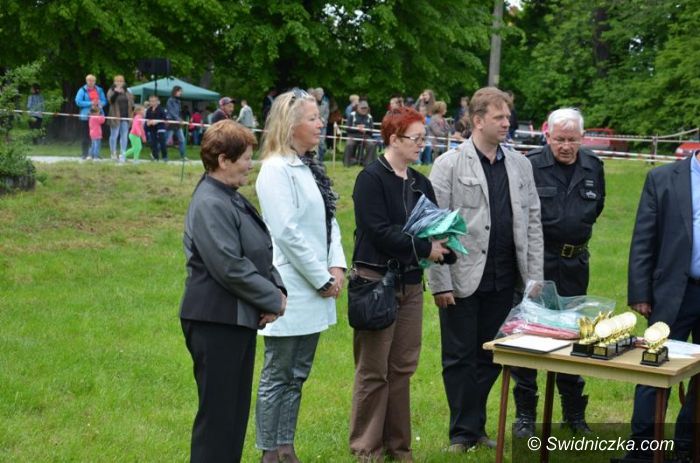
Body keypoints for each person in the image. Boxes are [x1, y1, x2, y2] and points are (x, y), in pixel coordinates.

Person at [427, 86, 543, 452]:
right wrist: (440, 282)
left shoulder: (521, 164)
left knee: (492, 355)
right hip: (461, 277)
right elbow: (433, 226)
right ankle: (463, 433)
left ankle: (473, 427)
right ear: (478, 121)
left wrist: (534, 276)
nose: (507, 123)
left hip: (505, 278)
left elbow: (533, 221)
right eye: (499, 117)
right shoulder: (448, 164)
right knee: (459, 357)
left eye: (507, 116)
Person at [349, 106, 453, 462]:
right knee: (373, 370)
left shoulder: (421, 183)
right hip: (376, 283)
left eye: (424, 138)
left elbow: (434, 227)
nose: (422, 145)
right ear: (394, 139)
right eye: (416, 139)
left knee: (402, 369)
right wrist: (424, 248)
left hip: (410, 284)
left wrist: (446, 246)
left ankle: (399, 448)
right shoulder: (370, 179)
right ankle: (367, 450)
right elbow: (377, 231)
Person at [180, 120, 287, 463]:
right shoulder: (211, 202)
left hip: (234, 319)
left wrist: (275, 288)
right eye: (245, 158)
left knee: (233, 416)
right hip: (214, 322)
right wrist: (272, 298)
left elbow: (257, 251)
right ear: (223, 160)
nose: (250, 164)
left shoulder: (228, 196)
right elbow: (229, 265)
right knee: (218, 420)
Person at [254, 88, 346, 463]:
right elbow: (287, 232)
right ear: (291, 125)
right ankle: (268, 451)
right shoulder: (275, 170)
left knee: (298, 374)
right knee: (278, 373)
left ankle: (286, 447)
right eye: (313, 118)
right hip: (292, 287)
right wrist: (321, 278)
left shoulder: (310, 167)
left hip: (317, 285)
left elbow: (329, 219)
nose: (321, 123)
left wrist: (337, 265)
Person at [511, 108, 605, 438]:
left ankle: (573, 413)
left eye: (573, 140)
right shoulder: (530, 165)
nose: (566, 146)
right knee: (529, 334)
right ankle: (525, 415)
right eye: (560, 139)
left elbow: (596, 208)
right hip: (539, 262)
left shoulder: (594, 166)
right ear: (547, 136)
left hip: (575, 265)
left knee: (574, 333)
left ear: (583, 138)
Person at [623, 148, 700, 461]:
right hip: (673, 291)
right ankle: (643, 448)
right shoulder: (663, 178)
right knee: (655, 367)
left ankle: (687, 445)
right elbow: (644, 237)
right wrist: (640, 292)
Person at [75, 74, 107, 159]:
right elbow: (78, 102)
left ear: (95, 81)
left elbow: (104, 101)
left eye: (93, 80)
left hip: (97, 116)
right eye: (89, 80)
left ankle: (95, 154)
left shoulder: (99, 90)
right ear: (86, 81)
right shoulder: (82, 90)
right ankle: (85, 154)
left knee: (97, 136)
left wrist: (100, 103)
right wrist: (91, 103)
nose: (91, 82)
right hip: (86, 116)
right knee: (85, 135)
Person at [107, 75, 134, 160]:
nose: (119, 83)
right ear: (114, 82)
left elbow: (132, 102)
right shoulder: (111, 90)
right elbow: (110, 101)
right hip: (115, 116)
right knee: (114, 135)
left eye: (121, 81)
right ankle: (113, 153)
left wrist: (132, 113)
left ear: (123, 82)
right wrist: (116, 93)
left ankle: (123, 154)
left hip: (126, 116)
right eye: (117, 81)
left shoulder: (128, 91)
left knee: (124, 136)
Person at [343, 100, 376, 167]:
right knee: (349, 144)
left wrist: (366, 129)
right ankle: (347, 162)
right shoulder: (352, 115)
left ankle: (367, 162)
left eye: (365, 108)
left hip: (366, 136)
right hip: (353, 135)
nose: (364, 110)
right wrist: (356, 128)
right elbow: (347, 128)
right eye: (362, 108)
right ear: (358, 108)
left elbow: (372, 130)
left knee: (371, 144)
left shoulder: (369, 117)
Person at [166, 85, 187, 159]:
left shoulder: (178, 101)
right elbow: (171, 112)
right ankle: (155, 153)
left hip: (177, 123)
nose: (181, 93)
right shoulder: (170, 100)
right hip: (171, 122)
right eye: (179, 91)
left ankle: (183, 156)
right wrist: (179, 119)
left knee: (182, 140)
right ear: (175, 91)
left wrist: (180, 119)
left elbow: (178, 112)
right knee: (166, 140)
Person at [145, 95, 168, 161]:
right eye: (150, 101)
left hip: (160, 128)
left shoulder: (161, 109)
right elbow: (147, 119)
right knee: (153, 143)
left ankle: (164, 157)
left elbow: (165, 119)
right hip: (152, 129)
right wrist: (148, 123)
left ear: (157, 101)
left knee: (162, 143)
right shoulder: (148, 110)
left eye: (153, 101)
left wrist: (157, 121)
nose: (152, 102)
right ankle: (155, 157)